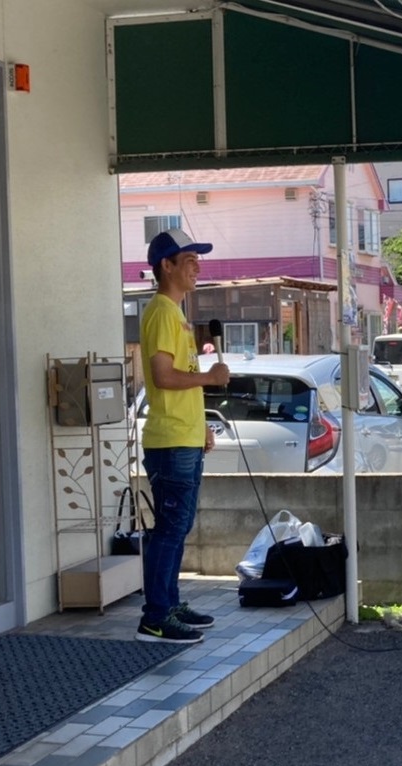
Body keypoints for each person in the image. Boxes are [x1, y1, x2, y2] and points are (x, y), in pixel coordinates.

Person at [137, 228, 230, 644]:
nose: (196, 266)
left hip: (185, 437)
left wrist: (201, 426)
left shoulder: (175, 314)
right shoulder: (160, 311)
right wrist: (209, 377)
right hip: (170, 441)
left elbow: (181, 383)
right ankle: (155, 616)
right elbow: (162, 376)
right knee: (170, 529)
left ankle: (169, 604)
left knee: (178, 526)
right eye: (187, 258)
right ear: (166, 266)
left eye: (198, 258)